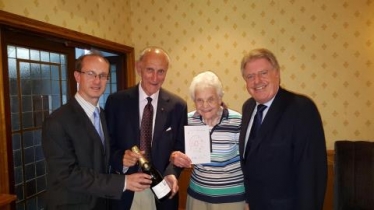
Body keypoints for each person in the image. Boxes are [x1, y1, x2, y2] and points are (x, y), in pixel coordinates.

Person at [42, 53, 152, 210]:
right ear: (77, 76)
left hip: (102, 203)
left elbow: (102, 158)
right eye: (91, 74)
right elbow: (67, 174)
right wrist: (124, 182)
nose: (97, 81)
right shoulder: (57, 121)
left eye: (102, 75)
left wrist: (122, 159)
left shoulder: (102, 115)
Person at [238, 48, 327, 210]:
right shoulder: (248, 107)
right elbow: (250, 161)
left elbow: (311, 173)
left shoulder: (301, 109)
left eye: (263, 73)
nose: (257, 81)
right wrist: (248, 200)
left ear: (277, 73)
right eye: (250, 76)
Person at [105, 46, 188, 210]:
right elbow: (107, 144)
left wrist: (172, 172)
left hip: (163, 189)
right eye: (150, 70)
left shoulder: (178, 106)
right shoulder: (116, 102)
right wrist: (120, 158)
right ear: (138, 68)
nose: (155, 77)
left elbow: (181, 147)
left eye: (161, 71)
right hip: (126, 189)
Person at [173, 71, 246, 210]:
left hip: (231, 199)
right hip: (197, 197)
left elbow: (250, 162)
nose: (205, 105)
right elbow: (175, 148)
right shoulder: (187, 121)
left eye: (210, 99)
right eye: (199, 100)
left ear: (220, 98)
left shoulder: (238, 121)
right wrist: (174, 156)